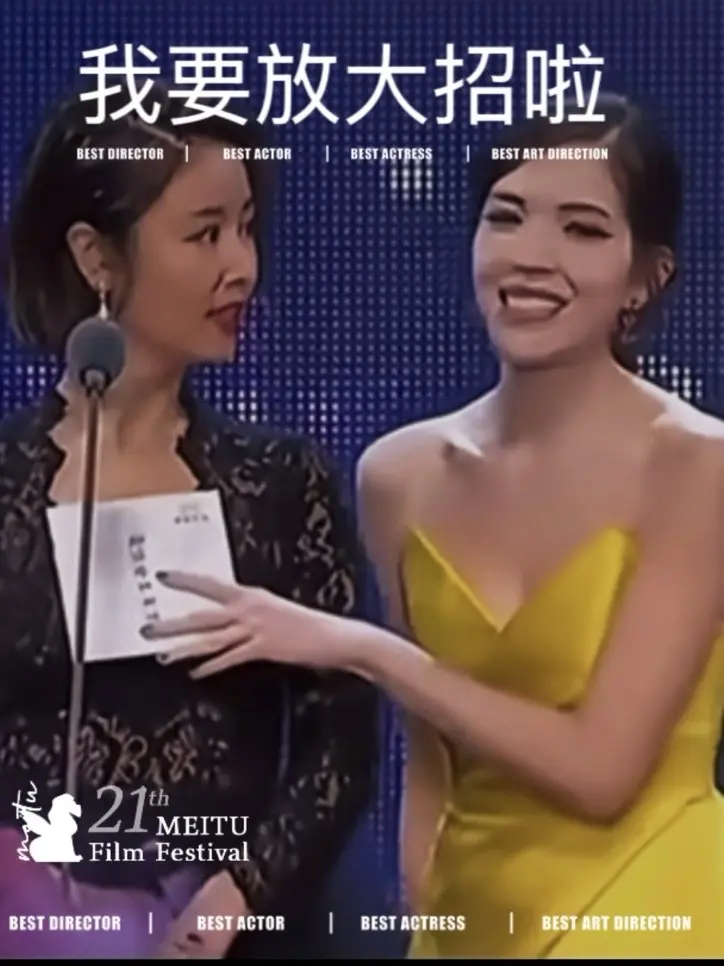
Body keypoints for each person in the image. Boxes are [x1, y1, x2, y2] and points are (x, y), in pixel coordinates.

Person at [144, 94, 724, 958]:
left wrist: (363, 649)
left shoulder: (696, 466)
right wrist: (429, 917)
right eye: (507, 216)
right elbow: (433, 763)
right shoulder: (400, 474)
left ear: (647, 277)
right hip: (471, 914)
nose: (532, 255)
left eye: (582, 229)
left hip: (652, 904)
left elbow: (602, 772)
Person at [0, 81, 379, 959]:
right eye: (206, 234)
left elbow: (342, 744)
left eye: (247, 227)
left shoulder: (280, 484)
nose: (242, 265)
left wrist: (243, 890)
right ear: (98, 258)